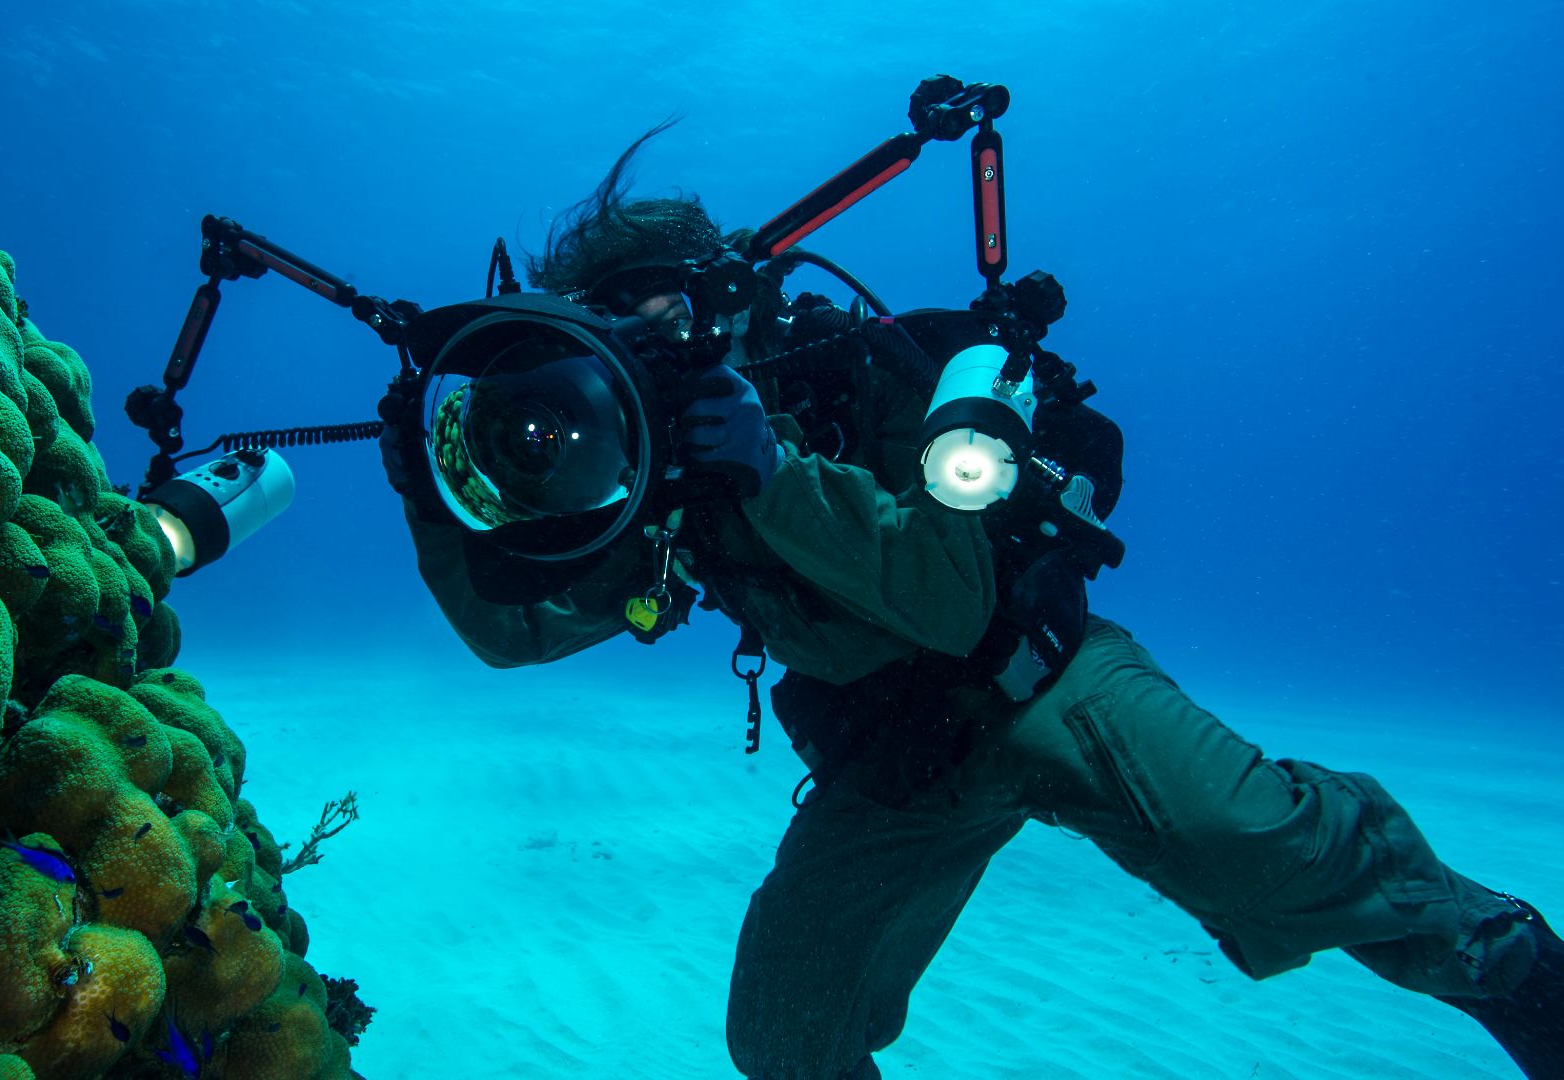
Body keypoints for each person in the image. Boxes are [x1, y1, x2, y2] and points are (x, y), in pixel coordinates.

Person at [375, 127, 1563, 1080]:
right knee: (784, 1038)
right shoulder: (650, 484)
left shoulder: (868, 371)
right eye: (611, 321)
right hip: (891, 760)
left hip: (1042, 680)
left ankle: (1504, 958)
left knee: (1260, 849)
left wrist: (775, 473)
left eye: (664, 304)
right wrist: (433, 500)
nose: (648, 340)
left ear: (722, 294)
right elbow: (513, 639)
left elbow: (952, 605)